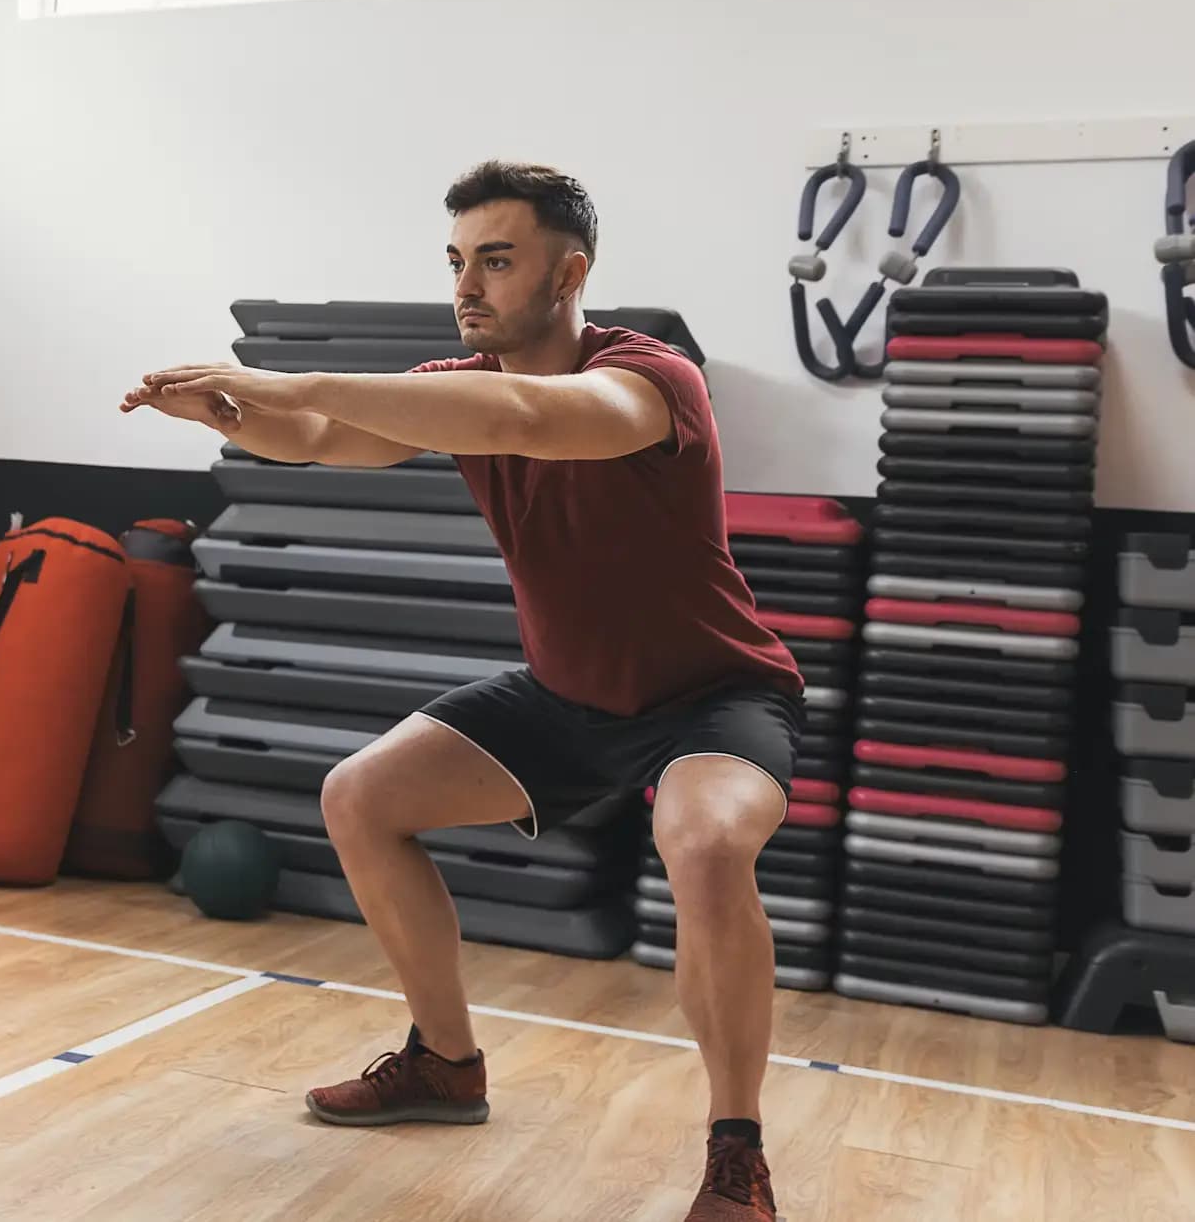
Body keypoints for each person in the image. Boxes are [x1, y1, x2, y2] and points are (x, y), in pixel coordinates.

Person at [120, 161, 802, 1221]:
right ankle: (445, 1063)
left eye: (496, 259)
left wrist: (289, 379)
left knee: (707, 846)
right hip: (566, 699)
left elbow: (529, 416)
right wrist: (227, 413)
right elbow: (313, 440)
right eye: (456, 262)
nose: (467, 285)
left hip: (711, 700)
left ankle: (736, 1150)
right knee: (362, 797)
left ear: (571, 272)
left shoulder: (650, 381)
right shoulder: (460, 381)